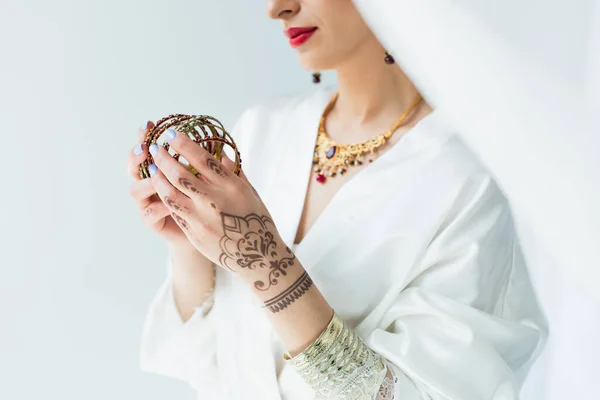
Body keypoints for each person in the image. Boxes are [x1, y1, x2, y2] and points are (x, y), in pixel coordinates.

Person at [127, 1, 546, 399]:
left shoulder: (466, 180)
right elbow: (207, 364)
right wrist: (187, 246)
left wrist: (267, 264)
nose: (277, 8)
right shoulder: (263, 130)